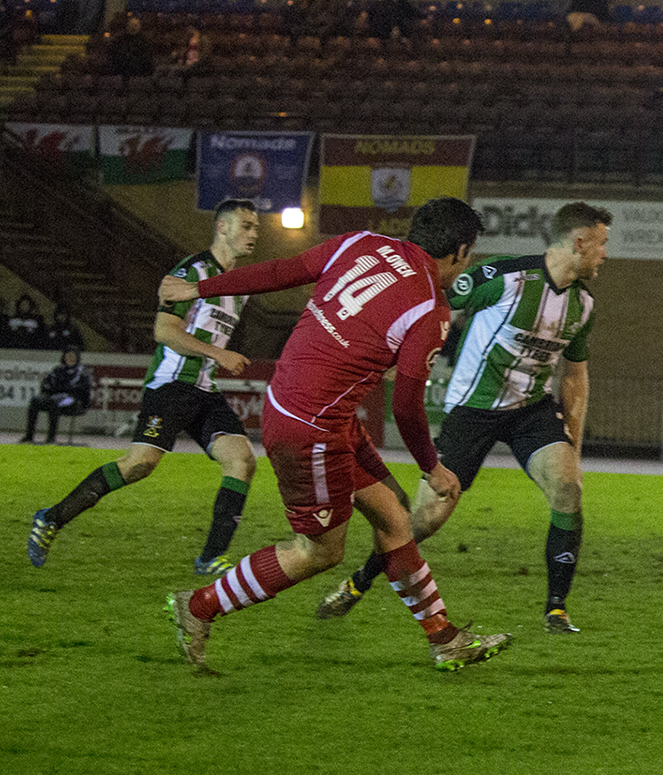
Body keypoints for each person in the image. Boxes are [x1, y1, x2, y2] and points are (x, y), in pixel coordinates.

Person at [155, 197, 510, 672]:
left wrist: (199, 289)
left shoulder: (361, 243)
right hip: (312, 428)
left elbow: (283, 271)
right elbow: (405, 406)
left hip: (303, 404)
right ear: (461, 251)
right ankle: (197, 607)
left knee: (392, 518)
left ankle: (444, 639)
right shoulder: (430, 307)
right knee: (320, 550)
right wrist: (433, 467)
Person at [317, 202, 611, 634]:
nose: (606, 254)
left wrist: (574, 448)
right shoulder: (504, 277)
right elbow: (429, 294)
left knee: (568, 487)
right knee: (426, 519)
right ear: (579, 242)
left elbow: (574, 378)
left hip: (531, 410)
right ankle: (359, 582)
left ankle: (556, 610)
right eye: (602, 244)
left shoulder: (583, 304)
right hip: (473, 409)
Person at [27, 201, 262, 575]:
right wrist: (218, 352)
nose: (254, 234)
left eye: (255, 227)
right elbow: (164, 332)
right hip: (170, 385)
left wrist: (215, 359)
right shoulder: (190, 272)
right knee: (139, 465)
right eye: (246, 226)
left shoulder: (238, 286)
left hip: (203, 389)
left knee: (242, 461)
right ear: (222, 227)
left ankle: (210, 558)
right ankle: (52, 518)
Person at [19, 346, 92, 444]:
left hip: (73, 400)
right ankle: (29, 436)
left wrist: (62, 389)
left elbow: (81, 389)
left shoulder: (82, 372)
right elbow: (46, 385)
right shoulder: (57, 370)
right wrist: (55, 389)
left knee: (55, 402)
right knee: (35, 400)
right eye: (68, 356)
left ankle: (51, 438)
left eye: (73, 356)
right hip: (53, 397)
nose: (70, 358)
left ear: (77, 357)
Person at [105, 15, 156, 79]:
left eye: (135, 25)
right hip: (121, 71)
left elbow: (147, 58)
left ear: (139, 27)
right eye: (131, 25)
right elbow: (112, 54)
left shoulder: (145, 41)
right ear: (127, 26)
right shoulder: (119, 39)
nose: (133, 28)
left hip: (139, 72)